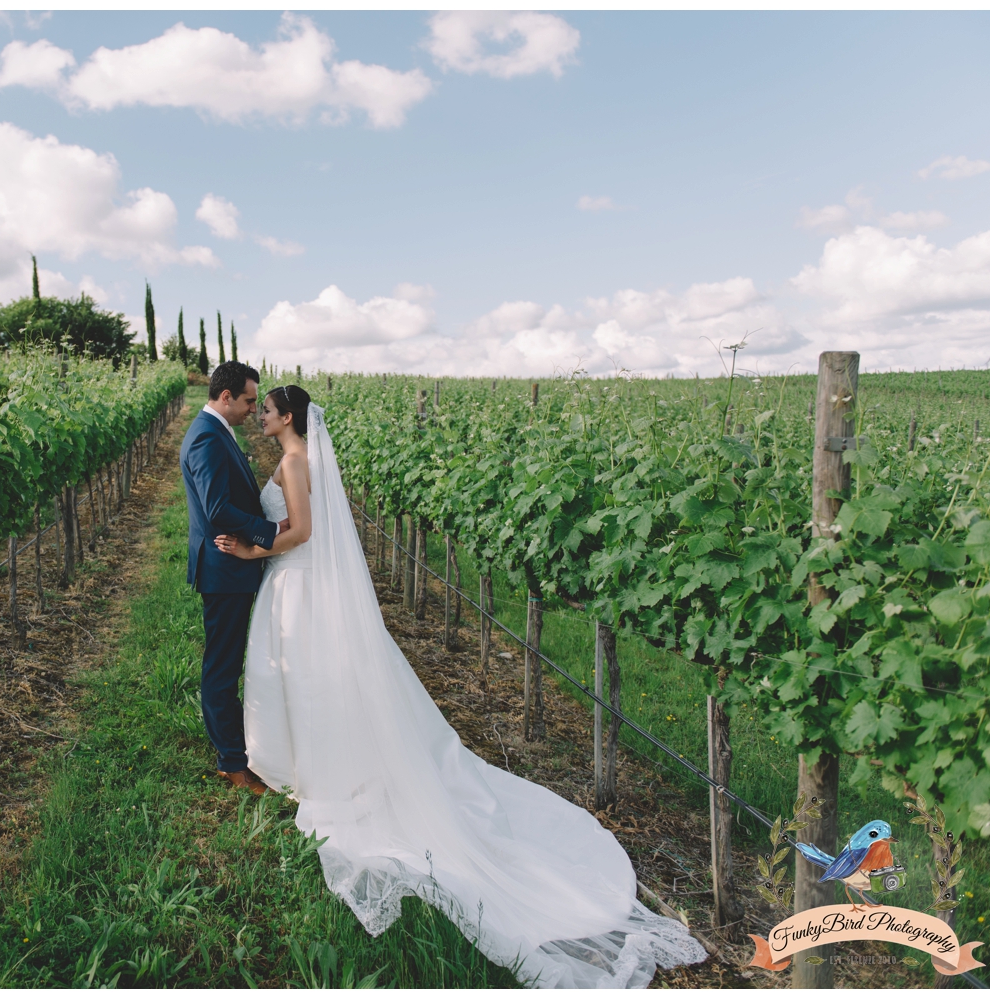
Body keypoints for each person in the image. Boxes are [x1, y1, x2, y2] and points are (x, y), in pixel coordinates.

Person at [212, 386, 707, 988]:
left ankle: (312, 765)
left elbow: (302, 533)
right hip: (305, 584)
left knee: (310, 677)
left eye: (266, 409)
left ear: (287, 417)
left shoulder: (293, 461)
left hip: (296, 576)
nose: (259, 415)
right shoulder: (304, 459)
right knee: (319, 678)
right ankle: (319, 758)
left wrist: (249, 545)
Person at [178, 361, 283, 794]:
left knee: (228, 659)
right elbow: (217, 509)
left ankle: (238, 753)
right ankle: (231, 763)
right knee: (221, 667)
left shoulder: (217, 432)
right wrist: (273, 534)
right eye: (248, 401)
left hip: (232, 569)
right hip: (224, 571)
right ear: (225, 397)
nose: (253, 410)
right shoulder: (205, 436)